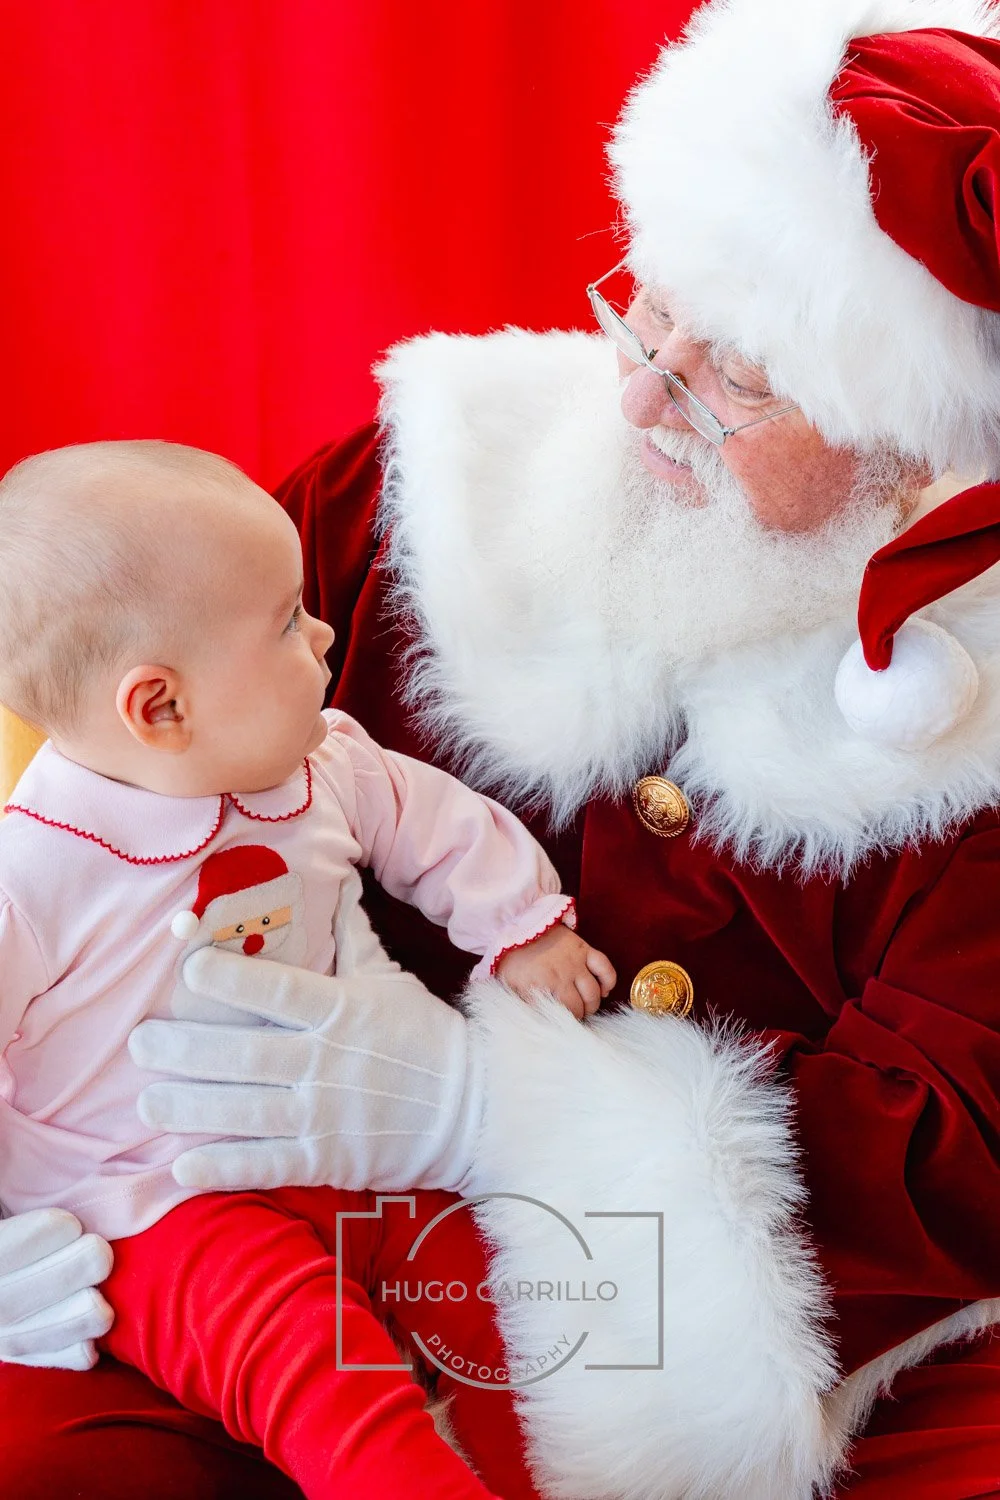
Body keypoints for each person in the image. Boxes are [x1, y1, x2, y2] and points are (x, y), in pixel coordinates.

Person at [5, 0, 1000, 1495]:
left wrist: (489, 1115)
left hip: (752, 1339)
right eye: (649, 307)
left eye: (739, 374)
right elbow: (116, 755)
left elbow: (951, 1160)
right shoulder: (431, 483)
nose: (646, 393)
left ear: (917, 446)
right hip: (230, 1226)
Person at [0, 440, 615, 1499]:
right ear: (161, 708)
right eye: (286, 623)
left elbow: (431, 823)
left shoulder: (318, 762)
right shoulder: (36, 873)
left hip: (336, 1131)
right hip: (152, 1203)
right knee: (320, 1372)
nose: (325, 632)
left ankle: (578, 1477)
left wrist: (520, 927)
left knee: (510, 1302)